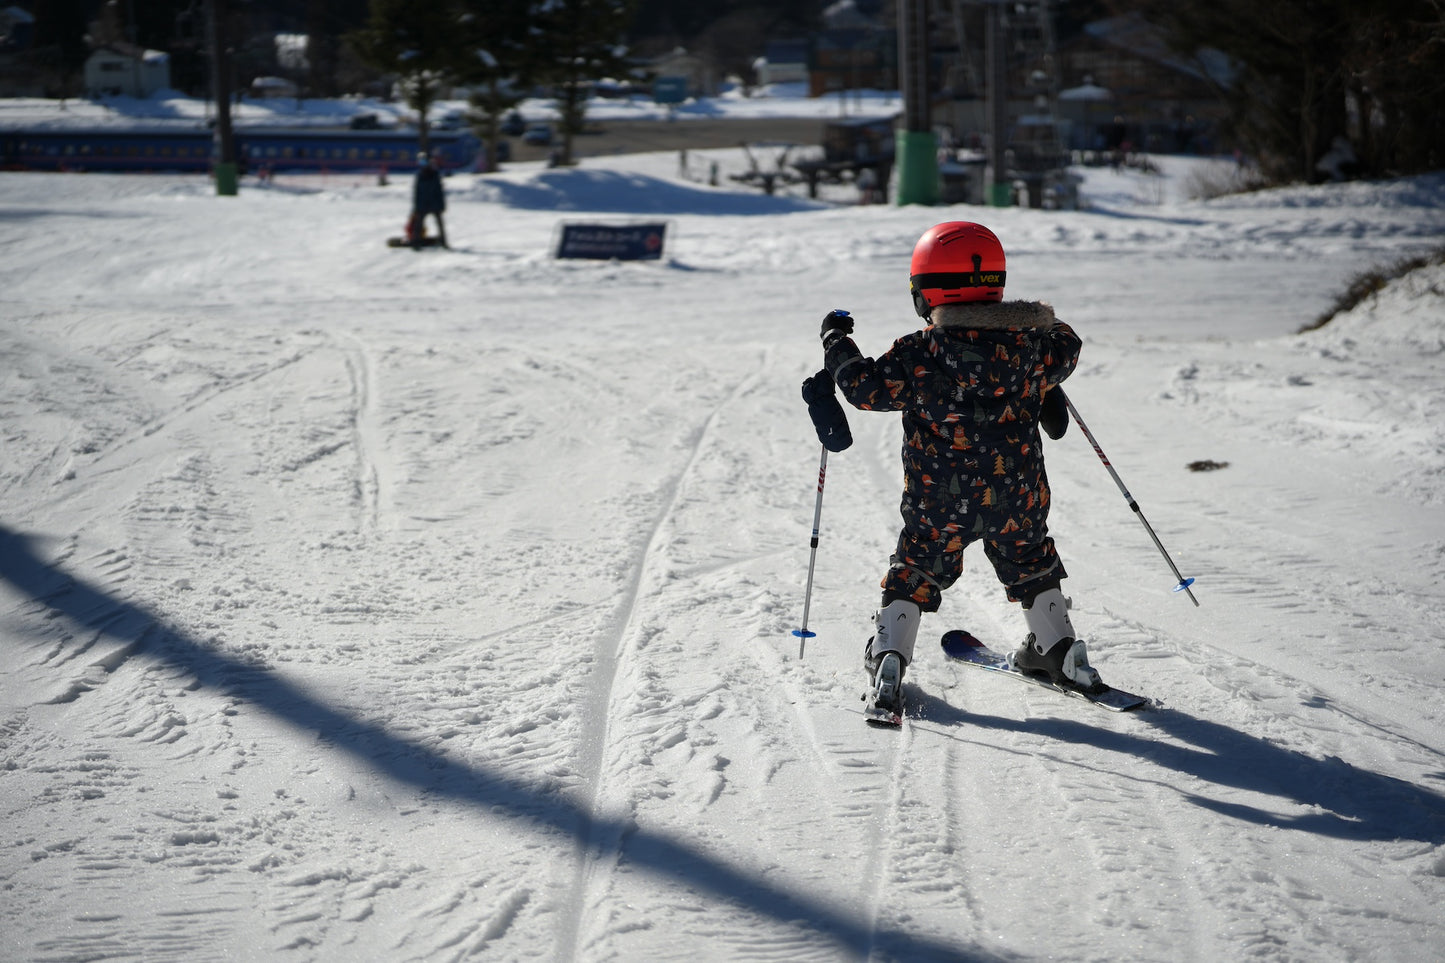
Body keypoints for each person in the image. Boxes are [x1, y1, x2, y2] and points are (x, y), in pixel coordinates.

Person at [819, 221, 1101, 718]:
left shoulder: (919, 353)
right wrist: (1035, 321)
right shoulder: (1033, 348)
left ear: (925, 292)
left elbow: (863, 389)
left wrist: (836, 342)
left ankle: (889, 656)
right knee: (1030, 562)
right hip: (1018, 496)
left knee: (917, 569)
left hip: (939, 501)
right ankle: (1060, 651)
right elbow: (1068, 343)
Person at [410, 151, 448, 249]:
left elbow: (439, 192)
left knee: (440, 224)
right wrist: (416, 207)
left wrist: (442, 205)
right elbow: (417, 193)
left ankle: (443, 242)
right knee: (418, 224)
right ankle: (416, 242)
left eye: (424, 162)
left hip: (434, 204)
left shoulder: (435, 175)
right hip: (422, 205)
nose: (422, 165)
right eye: (420, 162)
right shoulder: (420, 176)